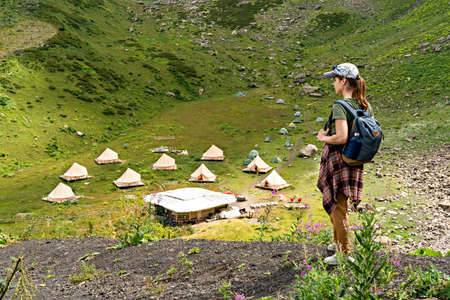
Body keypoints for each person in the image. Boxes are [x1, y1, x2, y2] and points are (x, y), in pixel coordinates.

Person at [316, 63, 374, 265]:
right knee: (340, 204)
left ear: (343, 81)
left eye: (334, 79)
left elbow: (341, 137)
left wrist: (323, 138)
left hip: (339, 161)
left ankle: (343, 253)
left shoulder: (340, 106)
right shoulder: (364, 105)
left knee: (338, 206)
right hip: (354, 160)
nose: (332, 83)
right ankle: (337, 241)